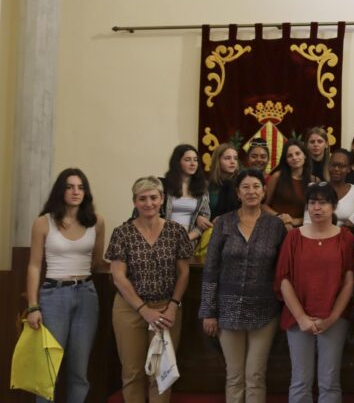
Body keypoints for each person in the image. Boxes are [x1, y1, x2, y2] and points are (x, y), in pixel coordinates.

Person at [199, 168, 285, 403]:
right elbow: (210, 270)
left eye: (256, 186)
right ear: (237, 192)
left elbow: (282, 271)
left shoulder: (275, 226)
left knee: (255, 375)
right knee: (234, 376)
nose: (251, 191)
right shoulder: (224, 223)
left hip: (265, 311)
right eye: (245, 187)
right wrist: (208, 311)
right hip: (227, 310)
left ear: (264, 191)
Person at [106, 176, 193, 403]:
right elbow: (118, 276)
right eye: (142, 198)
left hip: (167, 309)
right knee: (133, 372)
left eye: (153, 197)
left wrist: (173, 306)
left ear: (162, 199)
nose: (148, 203)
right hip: (130, 309)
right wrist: (143, 309)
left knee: (161, 373)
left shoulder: (176, 231)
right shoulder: (122, 233)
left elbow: (184, 273)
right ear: (134, 202)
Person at [25, 168, 105, 403]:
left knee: (79, 371)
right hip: (53, 295)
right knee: (49, 369)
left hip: (87, 294)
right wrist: (33, 306)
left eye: (80, 187)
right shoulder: (43, 222)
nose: (75, 192)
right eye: (70, 187)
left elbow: (97, 263)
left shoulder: (96, 222)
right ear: (61, 191)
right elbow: (33, 266)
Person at [275, 182, 354, 403]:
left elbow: (350, 281)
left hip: (334, 318)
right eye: (312, 203)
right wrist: (301, 317)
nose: (317, 208)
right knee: (300, 381)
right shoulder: (294, 237)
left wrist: (331, 319)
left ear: (334, 206)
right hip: (298, 319)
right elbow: (283, 279)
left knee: (329, 382)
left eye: (323, 203)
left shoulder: (345, 237)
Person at [304, 149, 354, 228]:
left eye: (341, 166)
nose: (336, 169)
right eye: (333, 165)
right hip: (315, 235)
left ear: (349, 168)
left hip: (343, 237)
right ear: (328, 166)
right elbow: (307, 222)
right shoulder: (315, 188)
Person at [162, 144, 211, 242]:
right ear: (177, 162)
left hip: (190, 241)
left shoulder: (203, 187)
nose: (193, 164)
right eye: (187, 160)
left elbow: (205, 218)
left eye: (195, 160)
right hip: (165, 240)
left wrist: (187, 239)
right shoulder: (165, 185)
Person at [265, 139, 318, 230]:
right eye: (290, 155)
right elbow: (263, 205)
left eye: (298, 153)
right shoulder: (277, 176)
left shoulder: (315, 181)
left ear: (304, 155)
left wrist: (294, 221)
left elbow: (316, 212)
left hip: (303, 228)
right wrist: (280, 217)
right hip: (276, 225)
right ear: (286, 160)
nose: (294, 157)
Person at [209, 143, 240, 219]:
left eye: (235, 158)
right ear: (217, 161)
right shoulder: (208, 185)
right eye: (227, 158)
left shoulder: (241, 184)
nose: (232, 162)